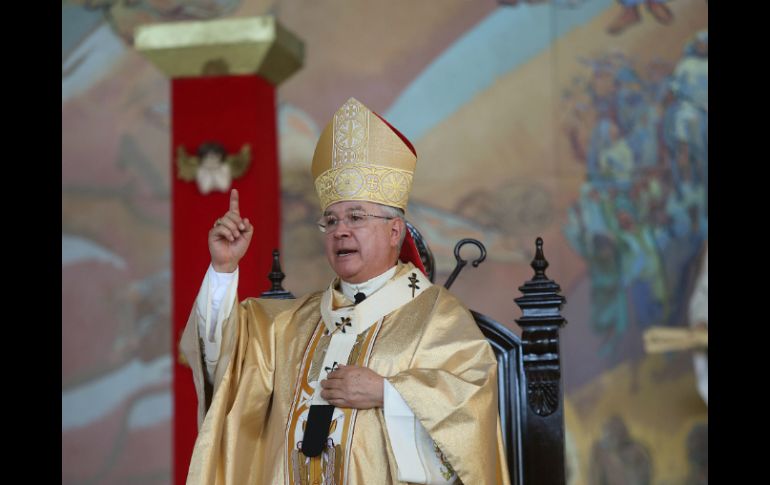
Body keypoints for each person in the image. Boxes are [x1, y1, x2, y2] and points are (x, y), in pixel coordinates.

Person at [179, 98, 510, 484]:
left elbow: (472, 406)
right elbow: (220, 362)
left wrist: (388, 393)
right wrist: (223, 268)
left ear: (394, 231)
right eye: (331, 221)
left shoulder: (438, 316)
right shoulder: (285, 326)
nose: (340, 231)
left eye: (356, 217)